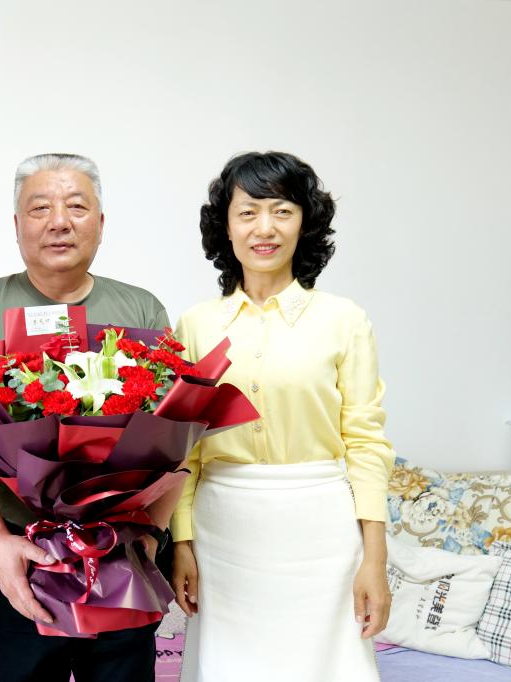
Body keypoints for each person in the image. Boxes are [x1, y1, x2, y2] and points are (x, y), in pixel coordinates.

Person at [0, 153, 176, 682]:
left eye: (76, 207)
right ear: (17, 225)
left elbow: (173, 436)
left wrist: (150, 536)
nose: (59, 221)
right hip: (21, 551)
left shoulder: (142, 309)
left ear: (100, 223)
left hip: (122, 553)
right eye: (40, 208)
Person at [171, 151, 395, 682]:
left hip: (321, 530)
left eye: (282, 211)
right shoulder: (196, 325)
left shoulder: (344, 320)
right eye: (247, 212)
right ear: (226, 226)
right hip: (222, 532)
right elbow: (183, 449)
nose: (264, 228)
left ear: (305, 222)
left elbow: (365, 442)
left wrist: (375, 559)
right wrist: (182, 542)